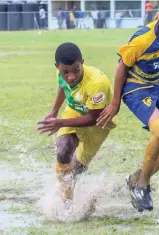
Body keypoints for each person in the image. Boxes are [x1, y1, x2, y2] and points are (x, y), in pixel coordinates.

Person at [97, 1, 159, 212]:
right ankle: (142, 186)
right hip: (136, 90)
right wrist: (115, 103)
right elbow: (121, 67)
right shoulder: (142, 39)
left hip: (158, 89)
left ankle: (134, 179)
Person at [37, 42, 116, 204]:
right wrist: (54, 111)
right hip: (74, 111)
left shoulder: (97, 83)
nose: (71, 76)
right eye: (65, 71)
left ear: (82, 63)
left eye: (76, 70)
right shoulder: (62, 72)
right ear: (57, 67)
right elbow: (63, 85)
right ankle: (67, 203)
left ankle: (76, 188)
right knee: (63, 150)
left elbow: (92, 118)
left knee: (77, 169)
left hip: (99, 124)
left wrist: (60, 122)